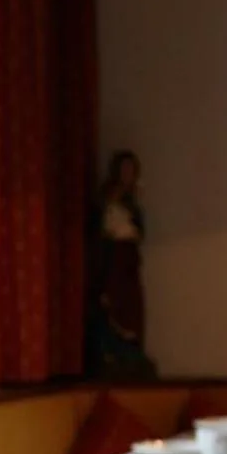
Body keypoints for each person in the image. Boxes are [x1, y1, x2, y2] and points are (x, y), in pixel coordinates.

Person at [88, 150, 156, 378]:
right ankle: (111, 355)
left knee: (132, 312)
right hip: (112, 262)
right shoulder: (106, 200)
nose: (127, 175)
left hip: (128, 264)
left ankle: (131, 356)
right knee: (110, 309)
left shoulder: (133, 203)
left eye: (131, 170)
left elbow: (139, 232)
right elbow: (101, 232)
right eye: (124, 169)